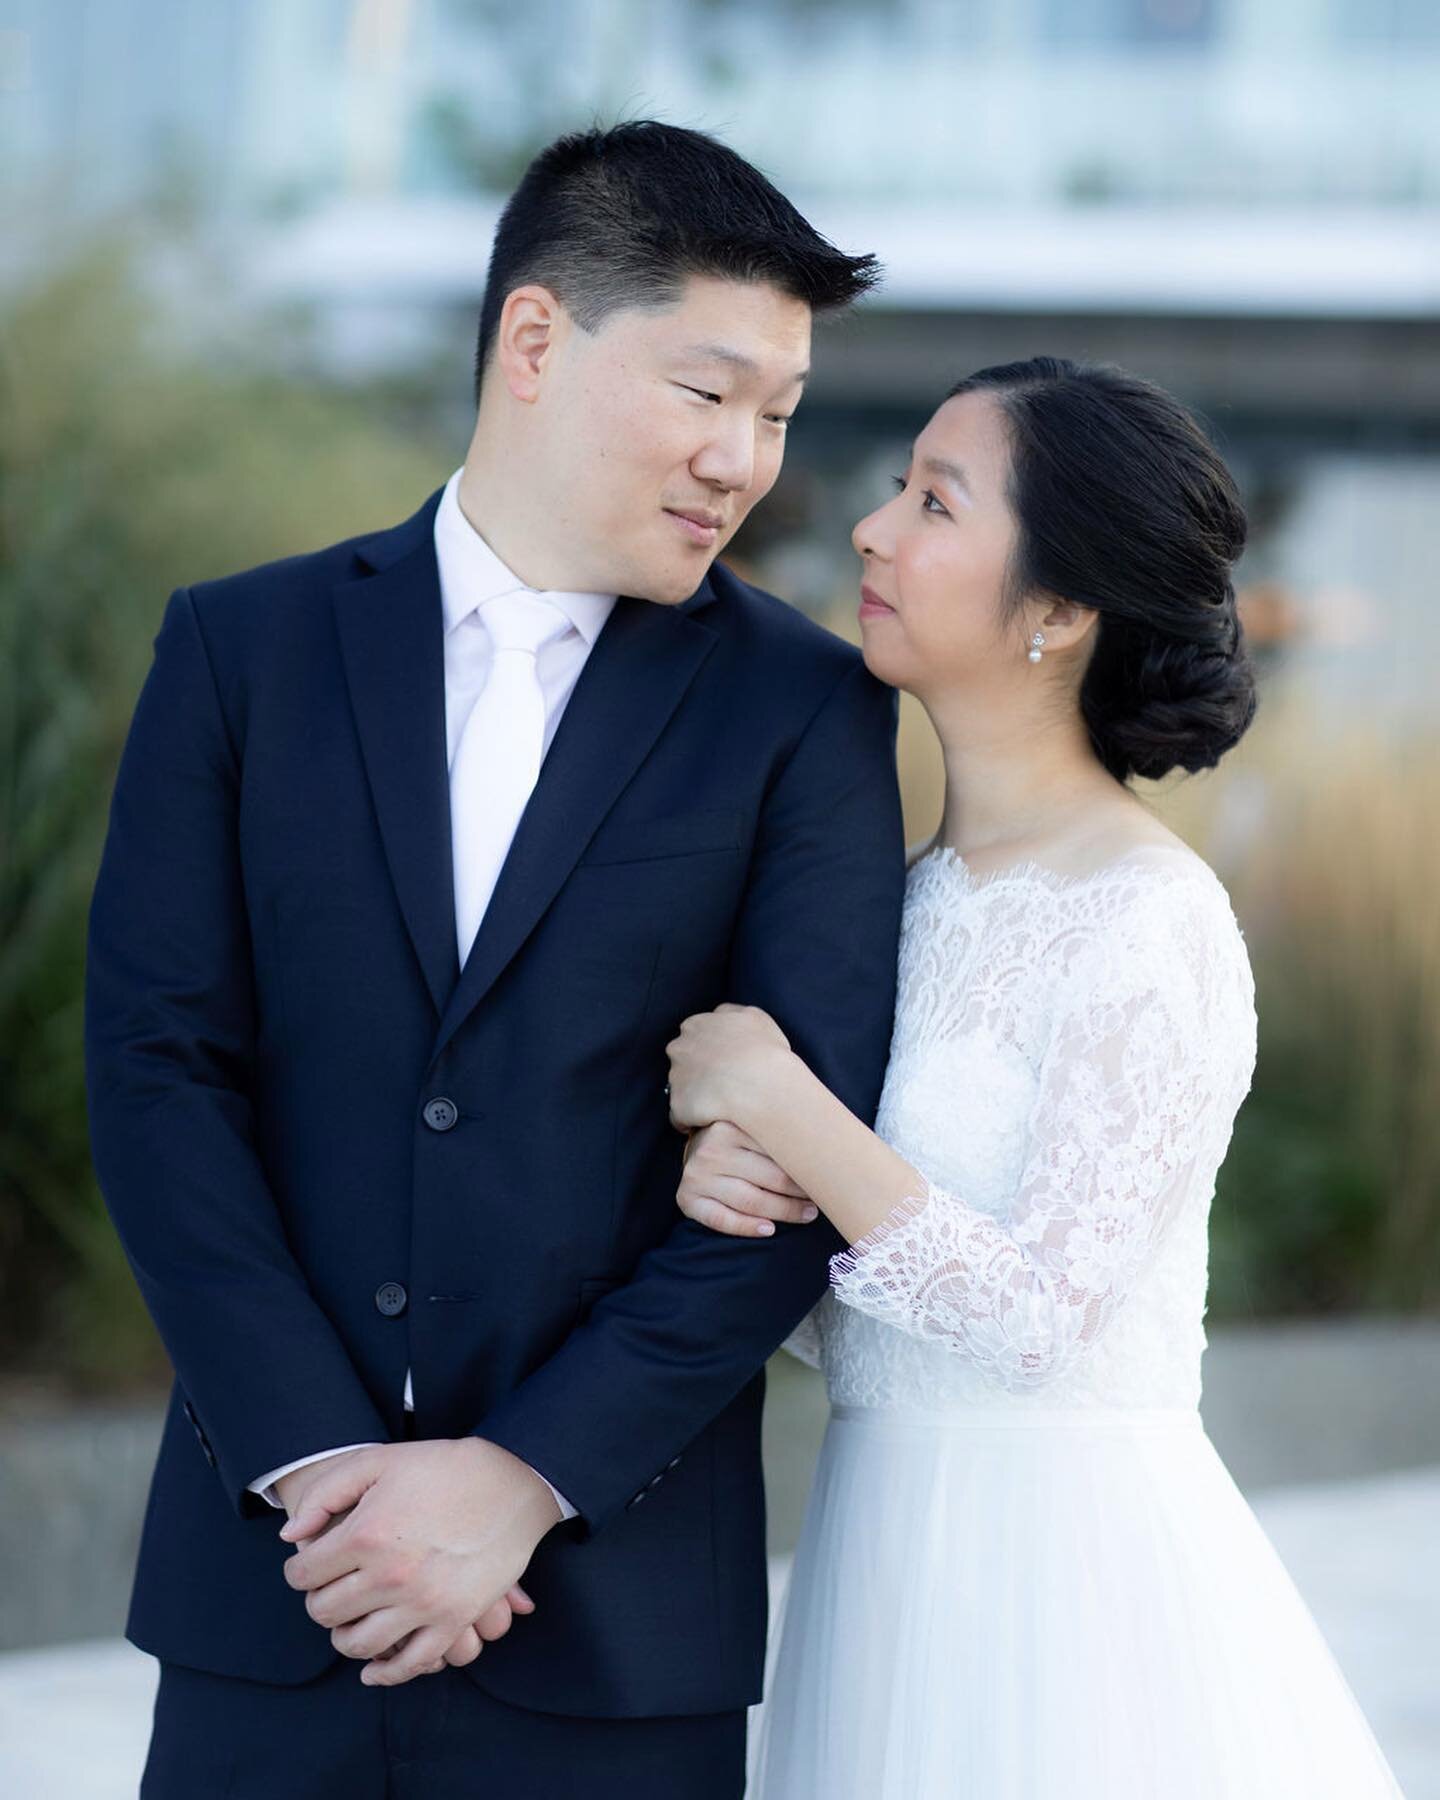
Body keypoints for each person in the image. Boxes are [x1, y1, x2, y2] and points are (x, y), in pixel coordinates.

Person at [84, 120, 906, 1798]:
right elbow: (158, 1073)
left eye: (780, 415)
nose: (746, 459)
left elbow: (803, 1161)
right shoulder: (241, 651)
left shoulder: (807, 708)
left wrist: (523, 1477)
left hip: (615, 1621)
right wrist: (319, 1468)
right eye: (709, 392)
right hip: (273, 1589)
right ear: (536, 341)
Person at [666, 358, 1406, 1797]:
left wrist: (784, 1105)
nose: (874, 532)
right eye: (896, 491)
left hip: (1065, 1587)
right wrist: (746, 1188)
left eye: (935, 502)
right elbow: (878, 1307)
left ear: (1060, 614)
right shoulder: (899, 897)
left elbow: (1038, 1320)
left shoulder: (1148, 918)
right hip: (882, 1547)